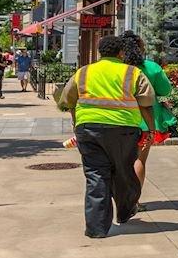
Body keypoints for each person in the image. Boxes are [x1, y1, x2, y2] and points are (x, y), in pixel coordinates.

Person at [55, 34, 156, 238]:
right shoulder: (132, 73)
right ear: (121, 53)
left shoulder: (83, 72)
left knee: (95, 175)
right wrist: (151, 130)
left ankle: (96, 228)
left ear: (100, 52)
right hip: (124, 130)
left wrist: (76, 122)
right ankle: (126, 210)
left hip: (88, 130)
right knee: (124, 171)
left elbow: (66, 100)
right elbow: (147, 102)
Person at [116, 32, 178, 184]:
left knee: (119, 163)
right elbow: (165, 90)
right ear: (140, 49)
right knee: (139, 161)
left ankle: (120, 199)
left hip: (118, 120)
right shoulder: (152, 67)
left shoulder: (116, 69)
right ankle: (135, 201)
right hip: (146, 122)